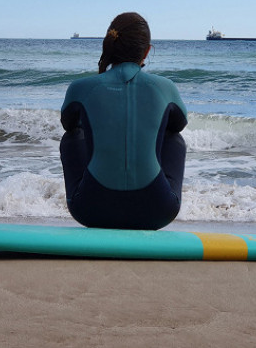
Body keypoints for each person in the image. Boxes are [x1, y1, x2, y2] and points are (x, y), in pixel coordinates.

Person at [59, 12, 188, 230]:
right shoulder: (165, 87)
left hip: (90, 209)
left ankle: (94, 188)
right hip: (157, 210)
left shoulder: (79, 88)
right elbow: (179, 124)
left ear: (110, 45)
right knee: (174, 138)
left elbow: (67, 123)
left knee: (72, 136)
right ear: (147, 51)